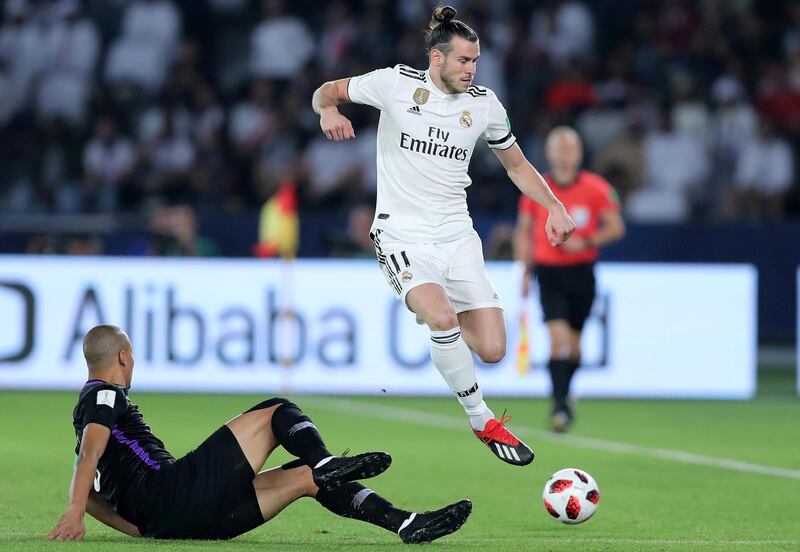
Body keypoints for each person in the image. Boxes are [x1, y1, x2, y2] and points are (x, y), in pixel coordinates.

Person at [311, 6, 575, 467]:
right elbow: (324, 91)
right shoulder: (394, 84)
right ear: (436, 58)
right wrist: (327, 110)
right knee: (443, 319)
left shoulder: (485, 104)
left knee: (493, 349)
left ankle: (444, 335)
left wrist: (552, 203)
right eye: (463, 61)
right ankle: (481, 419)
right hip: (401, 234)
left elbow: (515, 165)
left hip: (457, 236)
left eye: (475, 61)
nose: (471, 70)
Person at [46, 325, 471, 543]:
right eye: (132, 357)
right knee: (277, 411)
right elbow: (90, 456)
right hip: (174, 491)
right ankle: (324, 462)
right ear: (123, 356)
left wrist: (139, 529)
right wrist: (73, 510)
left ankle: (405, 523)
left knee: (303, 479)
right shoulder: (104, 395)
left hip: (175, 522)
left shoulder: (83, 415)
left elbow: (92, 486)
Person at [514, 127, 625, 432]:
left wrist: (586, 241)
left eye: (570, 149)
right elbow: (523, 230)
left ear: (579, 154)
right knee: (558, 341)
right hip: (548, 272)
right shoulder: (538, 188)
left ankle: (565, 394)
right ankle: (560, 406)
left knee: (575, 348)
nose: (565, 156)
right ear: (549, 154)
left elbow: (616, 228)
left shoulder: (597, 188)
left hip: (581, 274)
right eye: (559, 150)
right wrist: (524, 269)